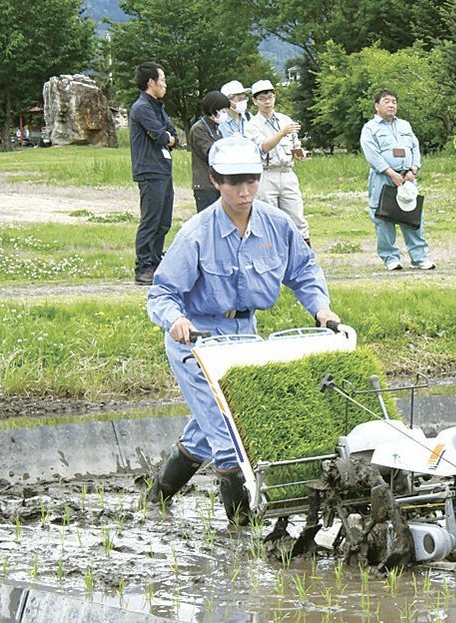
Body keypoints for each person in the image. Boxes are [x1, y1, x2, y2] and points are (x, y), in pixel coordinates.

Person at [145, 135, 341, 525]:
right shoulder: (197, 233)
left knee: (208, 428)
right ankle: (243, 531)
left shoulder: (277, 225)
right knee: (230, 434)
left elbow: (303, 271)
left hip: (244, 337)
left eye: (252, 180)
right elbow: (162, 293)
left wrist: (322, 310)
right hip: (197, 340)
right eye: (235, 182)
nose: (245, 191)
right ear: (216, 181)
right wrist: (176, 320)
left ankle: (156, 498)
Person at [359, 89, 434, 271]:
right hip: (383, 178)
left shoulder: (405, 126)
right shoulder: (370, 128)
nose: (391, 105)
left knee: (412, 217)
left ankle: (419, 258)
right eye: (386, 101)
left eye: (394, 101)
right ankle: (391, 258)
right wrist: (391, 173)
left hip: (408, 178)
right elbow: (372, 154)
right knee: (383, 218)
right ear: (377, 106)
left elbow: (415, 148)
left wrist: (413, 169)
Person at [129, 61, 178, 285]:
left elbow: (172, 133)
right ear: (151, 82)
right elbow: (161, 136)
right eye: (163, 80)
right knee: (150, 219)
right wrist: (166, 137)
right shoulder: (141, 107)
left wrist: (169, 137)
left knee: (164, 220)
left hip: (163, 168)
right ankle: (144, 266)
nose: (165, 84)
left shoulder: (158, 106)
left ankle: (157, 262)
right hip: (149, 169)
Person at [245, 79, 311, 245]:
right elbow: (263, 147)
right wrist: (281, 133)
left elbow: (295, 144)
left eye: (270, 97)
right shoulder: (253, 125)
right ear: (255, 101)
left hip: (287, 172)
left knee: (297, 217)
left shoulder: (285, 119)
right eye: (262, 99)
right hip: (267, 174)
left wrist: (299, 154)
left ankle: (304, 257)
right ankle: (271, 255)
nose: (267, 102)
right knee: (269, 218)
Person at [188, 91, 230, 212]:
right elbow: (210, 153)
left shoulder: (217, 130)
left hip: (218, 183)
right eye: (223, 111)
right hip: (205, 185)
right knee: (207, 223)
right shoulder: (199, 129)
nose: (225, 115)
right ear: (213, 110)